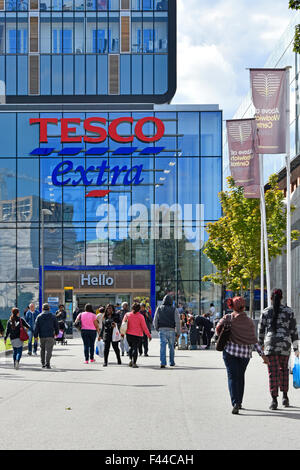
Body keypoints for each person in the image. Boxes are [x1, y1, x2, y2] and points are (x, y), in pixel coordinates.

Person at [215, 296, 268, 415]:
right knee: (240, 376)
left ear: (232, 306)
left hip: (230, 352)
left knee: (232, 377)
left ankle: (235, 403)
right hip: (245, 355)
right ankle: (239, 401)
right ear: (244, 307)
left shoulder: (228, 318)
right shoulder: (249, 322)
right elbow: (254, 340)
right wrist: (262, 355)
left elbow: (217, 329)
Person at [258, 288, 299, 410]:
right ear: (281, 298)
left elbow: (260, 331)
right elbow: (294, 331)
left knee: (273, 372)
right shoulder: (289, 311)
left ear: (270, 298)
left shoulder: (266, 312)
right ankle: (285, 397)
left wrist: (260, 348)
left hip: (270, 345)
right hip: (285, 345)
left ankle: (274, 400)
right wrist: (296, 348)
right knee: (284, 370)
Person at [154, 294, 180, 368]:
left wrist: (157, 328)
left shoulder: (159, 308)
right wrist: (178, 332)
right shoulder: (174, 309)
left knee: (162, 346)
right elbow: (177, 321)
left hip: (162, 330)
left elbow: (155, 320)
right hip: (171, 330)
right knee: (171, 347)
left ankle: (163, 362)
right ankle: (171, 362)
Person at [123, 302, 151, 368]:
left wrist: (122, 333)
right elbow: (144, 327)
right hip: (138, 335)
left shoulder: (127, 315)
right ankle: (134, 363)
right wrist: (148, 335)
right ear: (139, 309)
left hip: (129, 334)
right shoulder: (141, 316)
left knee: (130, 347)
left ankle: (131, 360)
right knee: (135, 348)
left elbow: (123, 324)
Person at [34, 303, 59, 369]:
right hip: (50, 335)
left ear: (42, 309)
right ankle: (47, 363)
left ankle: (43, 363)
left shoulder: (39, 316)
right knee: (49, 350)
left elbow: (36, 327)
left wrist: (35, 336)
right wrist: (57, 333)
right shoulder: (53, 316)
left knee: (42, 349)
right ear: (49, 308)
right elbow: (56, 326)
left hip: (42, 335)